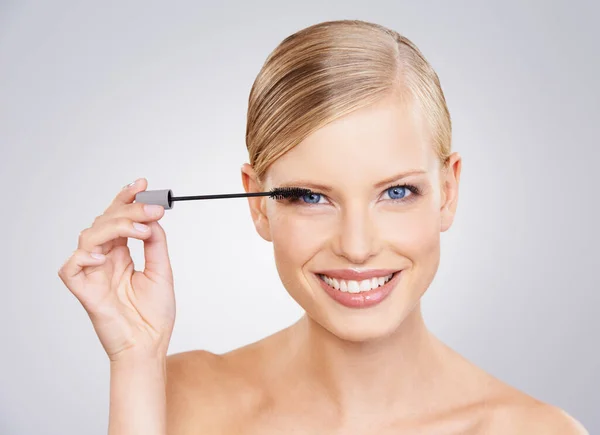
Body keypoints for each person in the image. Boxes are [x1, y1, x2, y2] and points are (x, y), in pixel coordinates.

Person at [58, 19, 588, 434]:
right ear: (258, 203)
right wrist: (134, 359)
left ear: (447, 191)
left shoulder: (538, 431)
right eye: (311, 197)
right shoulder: (178, 397)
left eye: (396, 192)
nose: (356, 247)